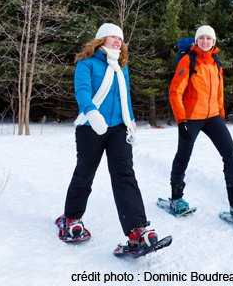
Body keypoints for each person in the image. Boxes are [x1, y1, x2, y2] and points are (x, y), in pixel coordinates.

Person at [57, 23, 169, 255]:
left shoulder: (121, 67)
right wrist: (91, 112)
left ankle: (137, 230)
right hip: (91, 126)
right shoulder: (86, 63)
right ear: (100, 40)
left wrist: (130, 122)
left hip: (119, 128)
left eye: (120, 38)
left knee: (125, 175)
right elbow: (82, 91)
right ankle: (72, 219)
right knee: (85, 173)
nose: (118, 41)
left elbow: (124, 96)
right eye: (113, 37)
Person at [168, 25, 233, 221]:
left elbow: (219, 91)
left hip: (212, 117)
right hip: (191, 117)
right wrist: (181, 120)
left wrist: (221, 114)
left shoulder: (216, 62)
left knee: (230, 151)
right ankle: (176, 198)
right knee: (184, 155)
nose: (205, 42)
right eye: (202, 38)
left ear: (214, 42)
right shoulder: (188, 59)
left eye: (209, 38)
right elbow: (175, 91)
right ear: (196, 40)